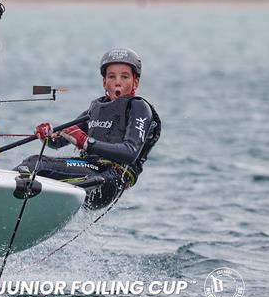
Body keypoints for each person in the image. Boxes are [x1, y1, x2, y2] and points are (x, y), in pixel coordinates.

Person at [14, 48, 161, 208]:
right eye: (111, 76)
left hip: (110, 179)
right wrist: (48, 136)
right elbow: (60, 141)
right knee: (33, 163)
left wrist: (85, 142)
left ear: (135, 82)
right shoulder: (97, 109)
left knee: (37, 164)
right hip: (90, 171)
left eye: (124, 77)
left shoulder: (139, 107)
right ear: (104, 82)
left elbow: (130, 152)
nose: (117, 82)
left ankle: (8, 189)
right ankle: (16, 199)